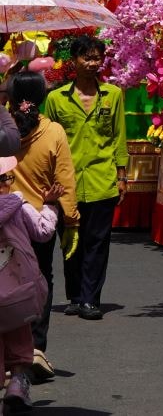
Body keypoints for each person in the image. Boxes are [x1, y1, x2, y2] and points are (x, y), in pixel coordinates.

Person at [42, 37, 125, 322]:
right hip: (66, 183)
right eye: (86, 58)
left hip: (102, 180)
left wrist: (122, 174)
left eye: (97, 58)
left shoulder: (113, 95)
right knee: (70, 240)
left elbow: (118, 137)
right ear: (74, 61)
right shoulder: (55, 99)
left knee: (97, 243)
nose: (92, 64)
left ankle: (91, 299)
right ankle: (75, 295)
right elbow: (47, 140)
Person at [5, 72, 76, 382]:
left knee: (4, 288)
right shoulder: (54, 131)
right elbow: (65, 180)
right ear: (44, 97)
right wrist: (71, 219)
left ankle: (7, 356)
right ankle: (35, 349)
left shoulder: (4, 131)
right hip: (39, 223)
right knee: (37, 287)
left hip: (5, 223)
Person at [0, 156, 64, 412]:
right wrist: (50, 205)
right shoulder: (18, 204)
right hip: (18, 292)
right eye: (7, 178)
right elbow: (43, 231)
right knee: (18, 333)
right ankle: (16, 384)